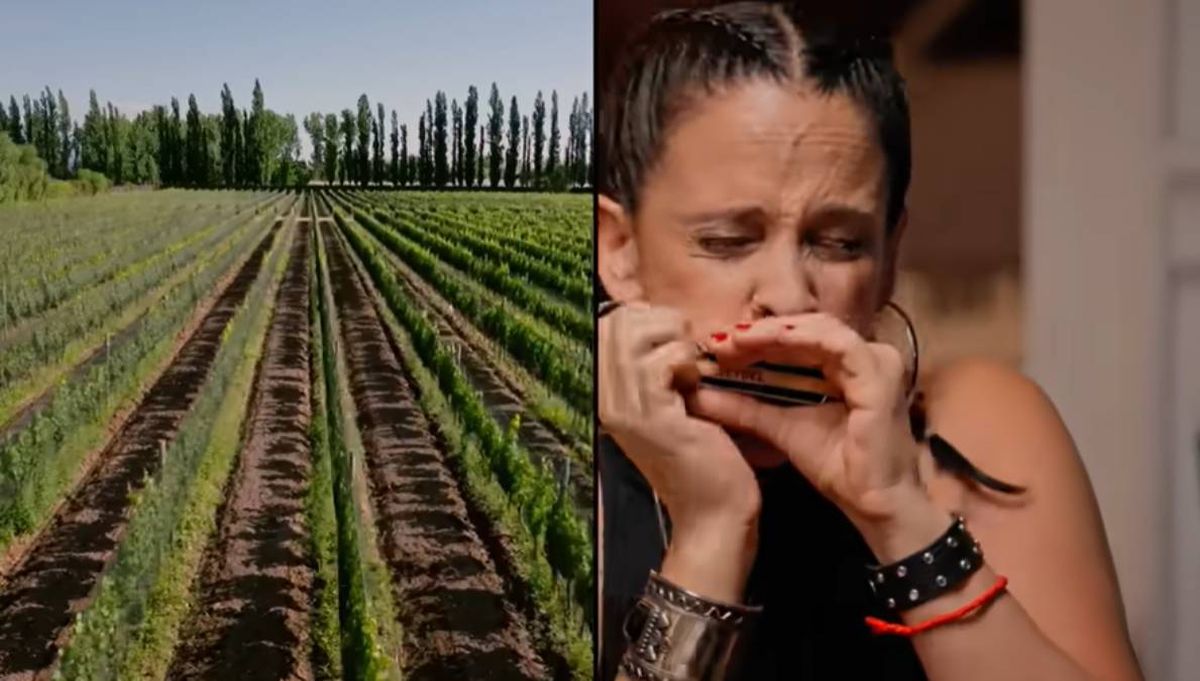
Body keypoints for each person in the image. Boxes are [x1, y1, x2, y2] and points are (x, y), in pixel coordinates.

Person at [595, 3, 1145, 680]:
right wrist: (712, 532)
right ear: (619, 250)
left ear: (889, 257)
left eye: (839, 243)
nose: (788, 295)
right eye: (728, 240)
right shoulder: (541, 459)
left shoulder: (972, 429)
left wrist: (899, 513)